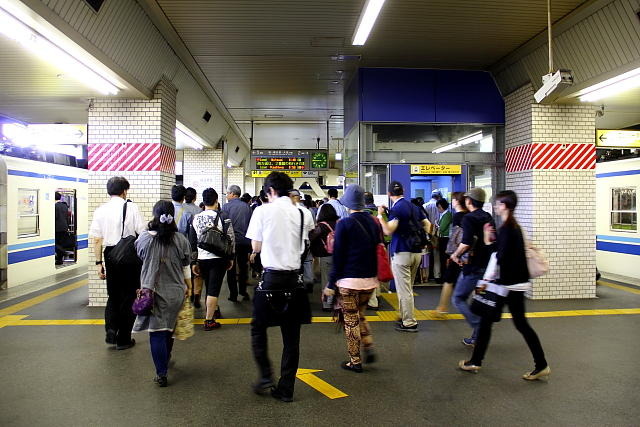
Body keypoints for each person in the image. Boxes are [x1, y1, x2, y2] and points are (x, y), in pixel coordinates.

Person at [459, 190, 550, 381]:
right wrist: (489, 240)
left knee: (499, 322)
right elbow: (502, 251)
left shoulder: (508, 228)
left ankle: (477, 361)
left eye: (498, 203)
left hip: (507, 284)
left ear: (505, 205)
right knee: (500, 322)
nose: (495, 206)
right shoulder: (512, 227)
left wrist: (486, 242)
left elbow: (500, 256)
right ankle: (540, 364)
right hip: (513, 284)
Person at [246, 172, 312, 403]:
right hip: (294, 281)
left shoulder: (262, 211)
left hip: (271, 280)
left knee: (258, 328)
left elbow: (255, 245)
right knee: (291, 338)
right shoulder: (303, 213)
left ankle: (265, 375)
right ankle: (286, 389)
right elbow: (305, 243)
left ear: (270, 191)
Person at [132, 200, 192, 387]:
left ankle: (161, 372)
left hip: (153, 292)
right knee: (168, 330)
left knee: (157, 333)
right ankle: (165, 359)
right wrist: (189, 287)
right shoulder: (181, 239)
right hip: (176, 291)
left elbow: (140, 256)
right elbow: (186, 266)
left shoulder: (144, 239)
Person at [325, 185, 380, 372]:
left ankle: (355, 361)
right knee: (360, 314)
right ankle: (369, 345)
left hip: (349, 282)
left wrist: (331, 284)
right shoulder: (374, 222)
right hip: (370, 280)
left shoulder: (344, 224)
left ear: (347, 203)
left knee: (351, 320)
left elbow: (338, 256)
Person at [89, 176, 145, 349]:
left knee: (113, 295)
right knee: (128, 296)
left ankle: (111, 330)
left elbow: (97, 239)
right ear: (124, 191)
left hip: (110, 255)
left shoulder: (100, 210)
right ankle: (124, 339)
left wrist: (99, 263)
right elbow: (142, 233)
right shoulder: (131, 207)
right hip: (129, 257)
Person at [377, 181, 430, 332]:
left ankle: (409, 322)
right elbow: (428, 225)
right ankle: (403, 314)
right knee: (407, 287)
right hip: (416, 252)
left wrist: (381, 215)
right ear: (403, 191)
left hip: (401, 253)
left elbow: (388, 230)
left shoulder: (397, 208)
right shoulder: (413, 206)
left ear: (389, 194)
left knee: (404, 290)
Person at [450, 188, 494, 346]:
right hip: (487, 267)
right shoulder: (488, 217)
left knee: (458, 298)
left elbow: (466, 242)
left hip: (472, 267)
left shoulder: (469, 218)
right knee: (478, 300)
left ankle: (479, 328)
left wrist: (455, 255)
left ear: (469, 201)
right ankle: (476, 337)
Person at [191, 188, 235, 330]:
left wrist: (193, 261)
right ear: (216, 201)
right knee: (214, 289)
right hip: (219, 258)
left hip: (202, 258)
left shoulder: (196, 218)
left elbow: (192, 241)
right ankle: (209, 320)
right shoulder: (224, 217)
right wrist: (231, 257)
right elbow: (231, 238)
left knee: (209, 286)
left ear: (203, 202)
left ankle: (213, 309)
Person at [436, 192, 468, 314]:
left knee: (449, 279)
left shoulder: (457, 216)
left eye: (453, 200)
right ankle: (442, 307)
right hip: (466, 253)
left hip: (458, 253)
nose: (452, 202)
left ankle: (442, 308)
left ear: (457, 201)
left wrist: (452, 254)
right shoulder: (468, 215)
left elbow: (455, 237)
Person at [223, 185, 253, 302]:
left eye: (227, 193)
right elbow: (251, 225)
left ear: (233, 194)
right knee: (243, 267)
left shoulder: (226, 207)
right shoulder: (247, 207)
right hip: (244, 242)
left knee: (231, 267)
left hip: (230, 243)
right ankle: (243, 291)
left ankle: (233, 294)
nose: (226, 196)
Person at [178, 187, 204, 307]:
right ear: (195, 197)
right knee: (197, 272)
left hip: (180, 247)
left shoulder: (180, 209)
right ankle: (196, 294)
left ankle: (186, 294)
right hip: (195, 247)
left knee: (183, 271)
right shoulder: (199, 211)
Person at [309, 204, 338, 310]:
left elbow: (311, 237)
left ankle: (327, 304)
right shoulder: (339, 223)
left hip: (325, 255)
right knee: (337, 279)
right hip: (339, 256)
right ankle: (337, 303)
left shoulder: (321, 226)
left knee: (326, 279)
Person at [290, 189, 315, 292]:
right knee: (305, 262)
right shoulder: (307, 211)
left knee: (292, 266)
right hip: (304, 242)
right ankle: (306, 282)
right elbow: (311, 228)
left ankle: (294, 285)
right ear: (299, 198)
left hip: (291, 243)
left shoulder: (287, 211)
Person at [436, 199, 452, 284]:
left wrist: (437, 226)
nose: (438, 209)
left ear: (440, 207)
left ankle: (445, 277)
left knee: (444, 258)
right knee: (442, 258)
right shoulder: (444, 214)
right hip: (443, 238)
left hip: (445, 239)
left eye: (438, 207)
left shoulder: (447, 215)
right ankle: (443, 276)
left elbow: (442, 228)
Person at [54, 192, 70, 265]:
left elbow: (55, 217)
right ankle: (59, 261)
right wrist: (68, 227)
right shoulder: (65, 206)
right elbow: (67, 217)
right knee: (60, 244)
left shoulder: (54, 206)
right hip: (64, 227)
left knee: (55, 243)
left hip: (57, 228)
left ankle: (63, 252)